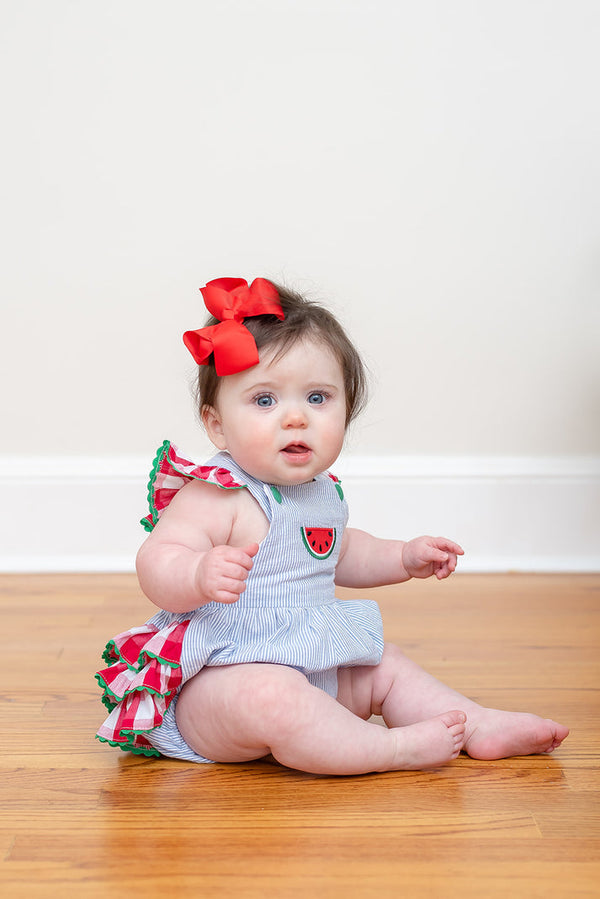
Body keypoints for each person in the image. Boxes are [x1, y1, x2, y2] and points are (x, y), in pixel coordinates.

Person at [96, 277, 569, 775]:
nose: (296, 418)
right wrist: (195, 574)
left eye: (318, 398)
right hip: (221, 684)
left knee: (384, 665)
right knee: (272, 695)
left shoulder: (321, 492)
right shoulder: (217, 493)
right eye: (264, 401)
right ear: (216, 425)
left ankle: (475, 723)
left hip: (313, 662)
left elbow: (340, 553)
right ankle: (389, 749)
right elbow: (156, 560)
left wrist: (402, 557)